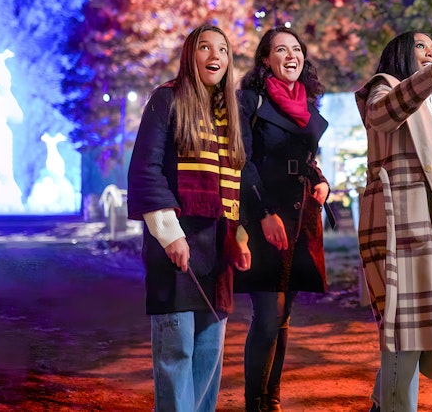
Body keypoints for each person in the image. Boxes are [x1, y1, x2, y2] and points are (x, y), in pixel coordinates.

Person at [127, 24, 250, 412]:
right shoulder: (166, 100)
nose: (216, 56)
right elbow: (146, 170)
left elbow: (237, 182)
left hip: (217, 250)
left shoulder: (229, 113)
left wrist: (239, 238)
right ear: (189, 55)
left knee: (209, 354)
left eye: (223, 50)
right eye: (205, 47)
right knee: (176, 350)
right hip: (176, 243)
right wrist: (169, 234)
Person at [354, 31, 432, 412]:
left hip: (429, 235)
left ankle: (384, 405)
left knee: (416, 335)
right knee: (403, 333)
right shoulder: (384, 87)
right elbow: (380, 115)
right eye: (422, 46)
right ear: (401, 53)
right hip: (398, 230)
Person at [233, 26, 329, 412]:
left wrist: (320, 180)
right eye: (281, 50)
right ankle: (254, 403)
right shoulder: (250, 101)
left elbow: (305, 159)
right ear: (265, 59)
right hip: (263, 214)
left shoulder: (307, 104)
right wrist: (263, 214)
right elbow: (242, 161)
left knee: (284, 314)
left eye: (296, 49)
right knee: (268, 315)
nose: (292, 55)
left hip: (300, 215)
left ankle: (271, 399)